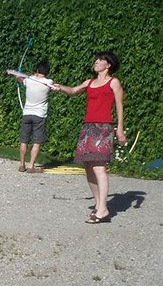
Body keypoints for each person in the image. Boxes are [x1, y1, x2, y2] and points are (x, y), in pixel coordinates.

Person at [52, 52, 126, 224]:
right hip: (88, 127)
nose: (97, 62)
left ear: (108, 65)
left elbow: (119, 105)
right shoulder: (90, 82)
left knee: (99, 167)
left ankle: (102, 209)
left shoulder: (114, 82)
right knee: (88, 167)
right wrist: (60, 87)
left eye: (101, 60)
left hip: (104, 128)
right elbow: (72, 91)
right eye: (97, 60)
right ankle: (100, 204)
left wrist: (120, 128)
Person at [7, 60, 54, 173]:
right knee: (36, 142)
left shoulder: (29, 80)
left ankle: (22, 165)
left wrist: (17, 75)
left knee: (24, 141)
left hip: (27, 114)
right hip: (39, 115)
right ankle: (31, 166)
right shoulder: (49, 82)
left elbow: (19, 78)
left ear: (37, 70)